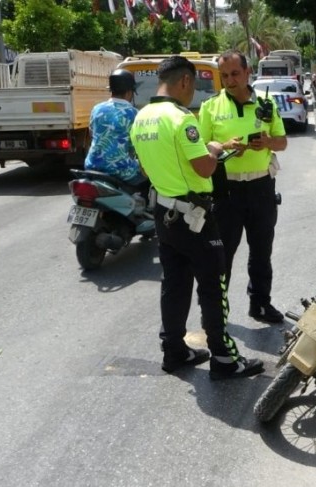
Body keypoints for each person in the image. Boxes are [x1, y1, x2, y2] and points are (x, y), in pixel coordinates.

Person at [129, 55, 264, 380]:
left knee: (174, 283)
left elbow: (146, 169)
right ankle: (224, 358)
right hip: (195, 215)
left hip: (165, 212)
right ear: (185, 81)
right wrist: (214, 149)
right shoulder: (181, 118)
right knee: (213, 283)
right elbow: (204, 167)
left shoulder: (141, 118)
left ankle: (173, 350)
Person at [199, 50, 289, 325]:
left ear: (248, 72)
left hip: (262, 186)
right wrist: (225, 147)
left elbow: (282, 142)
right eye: (224, 75)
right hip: (227, 191)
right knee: (221, 255)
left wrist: (267, 143)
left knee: (262, 252)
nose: (229, 80)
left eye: (235, 73)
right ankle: (214, 312)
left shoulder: (267, 103)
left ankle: (260, 304)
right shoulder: (210, 107)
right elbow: (201, 150)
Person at [84, 69, 149, 199]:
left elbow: (92, 135)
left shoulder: (97, 109)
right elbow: (138, 145)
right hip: (121, 170)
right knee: (151, 182)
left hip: (92, 166)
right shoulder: (134, 114)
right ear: (130, 92)